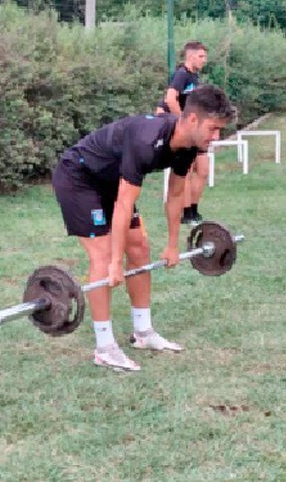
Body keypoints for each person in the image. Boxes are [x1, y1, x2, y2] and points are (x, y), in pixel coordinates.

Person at [54, 85, 235, 371]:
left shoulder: (189, 145)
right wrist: (116, 263)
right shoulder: (145, 140)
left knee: (140, 247)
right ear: (191, 120)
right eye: (213, 129)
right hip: (79, 178)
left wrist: (173, 244)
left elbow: (175, 194)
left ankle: (143, 332)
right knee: (102, 258)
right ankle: (104, 347)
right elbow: (124, 204)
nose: (216, 137)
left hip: (111, 181)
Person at [156, 40, 210, 224]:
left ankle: (193, 211)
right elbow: (170, 100)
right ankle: (186, 214)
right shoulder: (181, 75)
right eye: (201, 56)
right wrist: (183, 124)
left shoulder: (195, 77)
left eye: (205, 56)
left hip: (193, 129)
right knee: (185, 170)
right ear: (191, 56)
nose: (205, 60)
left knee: (203, 170)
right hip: (179, 127)